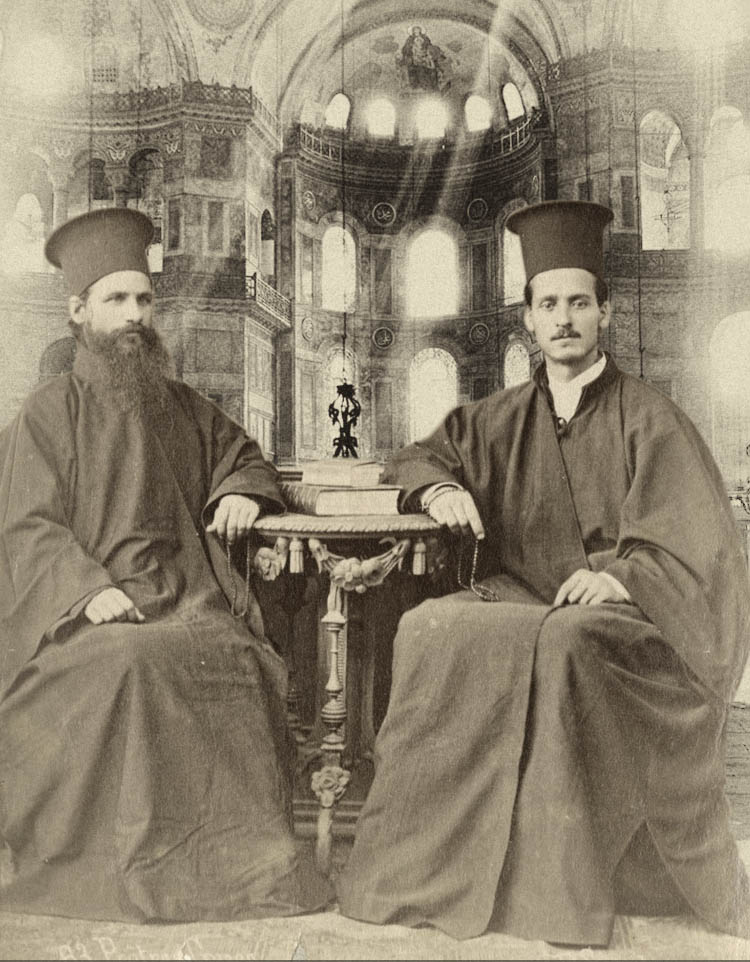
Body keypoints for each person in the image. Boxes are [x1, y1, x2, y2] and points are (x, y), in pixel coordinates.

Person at [337, 200, 750, 946]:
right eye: (549, 303)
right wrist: (441, 487)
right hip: (524, 602)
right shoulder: (497, 417)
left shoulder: (651, 417)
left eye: (579, 303)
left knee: (567, 644)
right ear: (527, 316)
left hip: (630, 627)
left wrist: (623, 575)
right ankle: (428, 871)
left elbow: (699, 546)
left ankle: (551, 894)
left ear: (607, 313)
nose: (564, 319)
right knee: (429, 626)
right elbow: (415, 455)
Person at [0, 208, 330, 922]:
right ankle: (131, 873)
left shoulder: (182, 405)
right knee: (133, 665)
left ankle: (237, 873)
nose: (132, 315)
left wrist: (241, 492)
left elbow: (243, 455)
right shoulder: (47, 413)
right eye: (115, 300)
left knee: (235, 659)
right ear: (78, 309)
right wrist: (87, 592)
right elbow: (28, 525)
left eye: (143, 299)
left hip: (187, 598)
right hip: (84, 619)